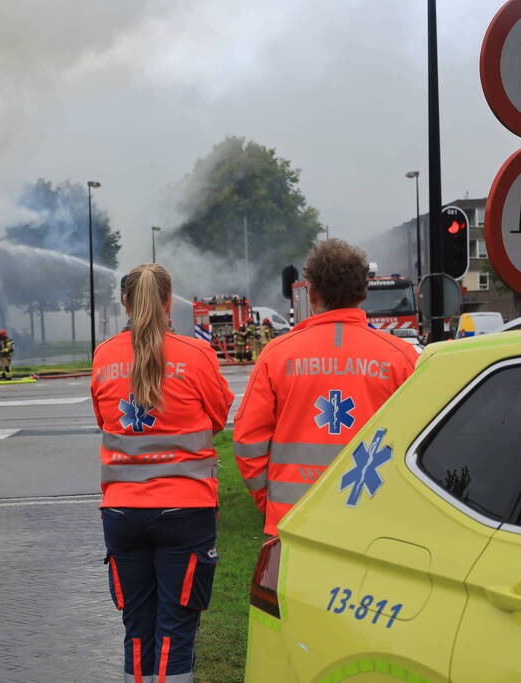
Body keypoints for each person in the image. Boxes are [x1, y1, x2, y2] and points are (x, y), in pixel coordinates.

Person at [92, 263, 233, 683]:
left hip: (121, 513)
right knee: (177, 630)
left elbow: (104, 418)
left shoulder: (103, 356)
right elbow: (220, 417)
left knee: (137, 631)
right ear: (169, 301)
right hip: (186, 511)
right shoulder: (196, 356)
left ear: (125, 303)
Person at [234, 239, 418, 536]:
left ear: (312, 292)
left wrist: (268, 499)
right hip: (374, 516)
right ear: (363, 292)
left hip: (293, 520)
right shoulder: (402, 357)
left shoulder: (277, 354)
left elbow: (247, 441)